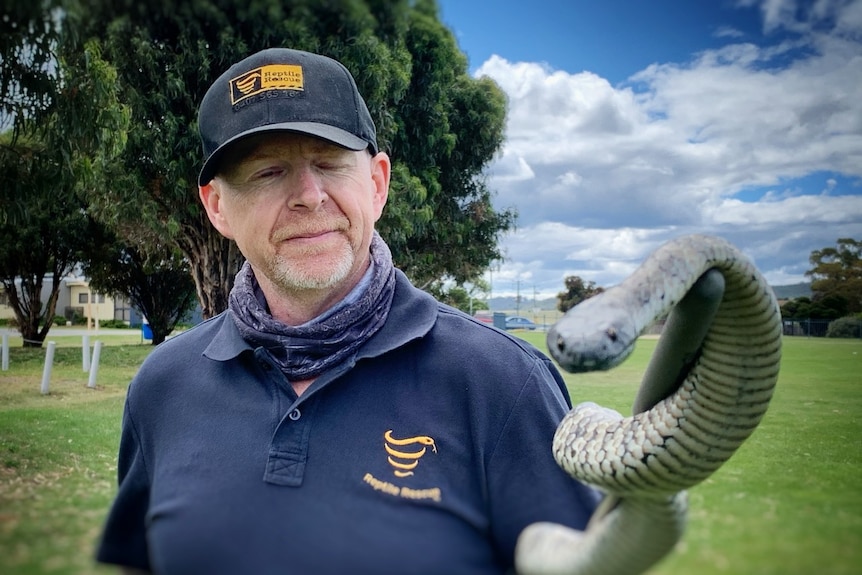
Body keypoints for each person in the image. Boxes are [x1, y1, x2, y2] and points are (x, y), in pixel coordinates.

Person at [96, 47, 600, 575]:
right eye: (269, 172)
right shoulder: (162, 387)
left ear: (378, 184)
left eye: (330, 163)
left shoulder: (503, 383)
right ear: (217, 207)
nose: (310, 196)